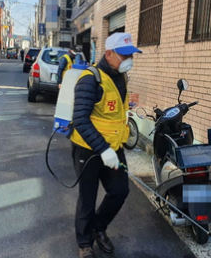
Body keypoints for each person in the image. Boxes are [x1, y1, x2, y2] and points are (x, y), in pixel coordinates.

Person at [69, 33, 142, 258]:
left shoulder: (121, 77)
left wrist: (113, 148)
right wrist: (103, 150)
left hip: (113, 148)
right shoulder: (90, 79)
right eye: (124, 55)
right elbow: (80, 119)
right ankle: (84, 244)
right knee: (87, 198)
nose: (129, 60)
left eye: (131, 55)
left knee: (120, 191)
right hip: (88, 151)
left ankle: (98, 228)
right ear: (108, 53)